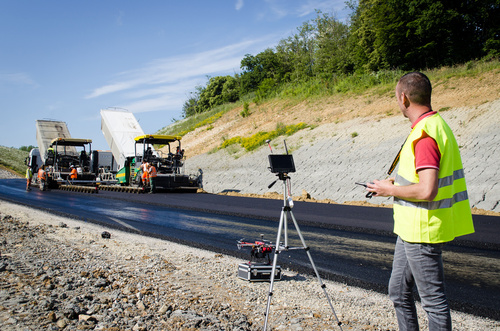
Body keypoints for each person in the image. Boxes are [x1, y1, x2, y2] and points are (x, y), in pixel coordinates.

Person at [366, 72, 475, 331]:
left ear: (404, 98)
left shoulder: (425, 135)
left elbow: (427, 190)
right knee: (398, 292)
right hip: (410, 228)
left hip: (421, 229)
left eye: (396, 96)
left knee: (434, 304)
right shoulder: (433, 124)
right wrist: (395, 185)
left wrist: (388, 190)